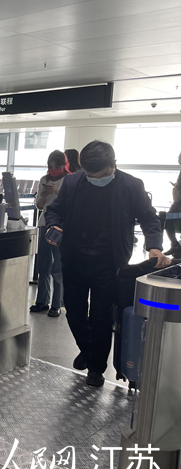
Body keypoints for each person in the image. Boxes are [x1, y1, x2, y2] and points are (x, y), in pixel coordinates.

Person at [45, 140, 170, 387]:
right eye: (89, 175)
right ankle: (88, 349)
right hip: (74, 259)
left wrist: (154, 246)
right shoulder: (73, 182)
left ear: (113, 165)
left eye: (100, 175)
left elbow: (149, 218)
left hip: (109, 262)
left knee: (102, 317)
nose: (94, 179)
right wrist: (53, 225)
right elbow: (54, 211)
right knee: (74, 313)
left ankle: (96, 368)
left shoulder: (131, 186)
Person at [30, 150, 69, 318]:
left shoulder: (69, 180)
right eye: (50, 167)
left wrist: (57, 191)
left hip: (60, 227)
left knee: (57, 268)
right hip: (44, 224)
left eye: (56, 167)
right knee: (43, 266)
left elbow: (71, 202)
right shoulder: (44, 180)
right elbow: (39, 206)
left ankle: (57, 304)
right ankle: (42, 301)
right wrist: (43, 195)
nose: (53, 170)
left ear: (63, 165)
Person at [164, 151, 181, 257]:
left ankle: (175, 245)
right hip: (178, 203)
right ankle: (175, 245)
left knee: (168, 221)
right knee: (168, 221)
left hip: (179, 204)